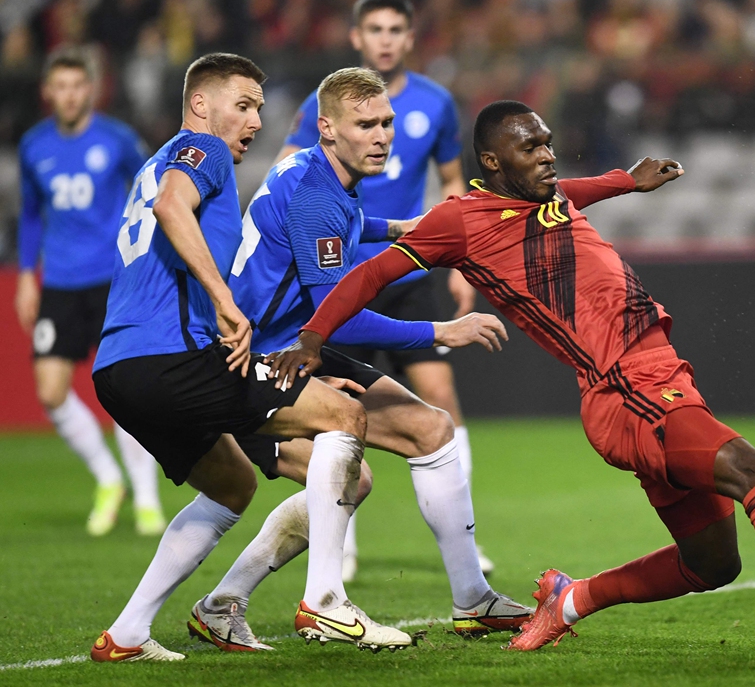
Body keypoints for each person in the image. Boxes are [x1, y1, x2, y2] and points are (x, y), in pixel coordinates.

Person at [268, 101, 755, 661]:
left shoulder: (549, 196)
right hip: (624, 391)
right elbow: (369, 275)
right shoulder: (460, 222)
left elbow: (574, 192)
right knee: (754, 473)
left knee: (713, 565)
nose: (548, 156)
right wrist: (313, 338)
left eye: (548, 142)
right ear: (493, 162)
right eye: (531, 147)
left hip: (662, 377)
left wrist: (627, 181)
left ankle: (571, 599)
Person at [186, 68, 529, 653]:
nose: (382, 136)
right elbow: (337, 316)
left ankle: (472, 598)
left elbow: (338, 227)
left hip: (291, 350)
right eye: (365, 124)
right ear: (326, 127)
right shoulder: (318, 193)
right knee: (333, 475)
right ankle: (304, 602)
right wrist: (442, 331)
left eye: (386, 123)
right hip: (255, 364)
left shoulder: (319, 175)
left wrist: (396, 226)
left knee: (428, 430)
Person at [89, 54, 409, 663]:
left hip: (118, 369)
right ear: (200, 105)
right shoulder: (202, 149)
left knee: (232, 484)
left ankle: (127, 634)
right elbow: (171, 207)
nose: (256, 121)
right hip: (174, 359)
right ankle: (326, 599)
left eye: (259, 107)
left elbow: (163, 232)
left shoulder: (158, 161)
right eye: (243, 105)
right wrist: (224, 301)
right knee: (344, 416)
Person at [275, 0, 489, 578]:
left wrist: (457, 262)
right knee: (342, 408)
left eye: (396, 29)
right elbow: (290, 173)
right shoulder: (323, 107)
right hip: (339, 275)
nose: (386, 39)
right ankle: (340, 546)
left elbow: (452, 183)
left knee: (439, 398)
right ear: (357, 38)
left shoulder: (436, 103)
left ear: (410, 38)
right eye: (376, 29)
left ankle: (464, 539)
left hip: (408, 267)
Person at [15, 47, 164, 537]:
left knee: (123, 389)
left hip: (113, 280)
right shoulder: (34, 145)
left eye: (78, 86)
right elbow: (31, 214)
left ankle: (146, 498)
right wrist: (26, 276)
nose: (70, 95)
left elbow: (153, 189)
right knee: (50, 391)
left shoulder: (117, 139)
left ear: (92, 89)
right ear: (47, 91)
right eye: (61, 86)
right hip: (59, 282)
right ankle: (108, 478)